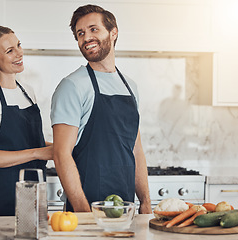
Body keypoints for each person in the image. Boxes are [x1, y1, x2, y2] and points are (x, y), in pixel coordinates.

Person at [51, 4, 152, 214]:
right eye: (81, 33)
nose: (86, 37)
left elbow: (136, 149)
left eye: (93, 29)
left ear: (113, 33)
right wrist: (83, 211)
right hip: (86, 210)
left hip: (125, 208)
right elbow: (62, 155)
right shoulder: (72, 86)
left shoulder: (130, 87)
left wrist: (145, 201)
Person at [0, 25, 53, 216]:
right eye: (10, 50)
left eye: (19, 45)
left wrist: (56, 149)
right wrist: (38, 153)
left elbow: (29, 144)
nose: (19, 53)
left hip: (35, 192)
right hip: (4, 197)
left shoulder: (27, 91)